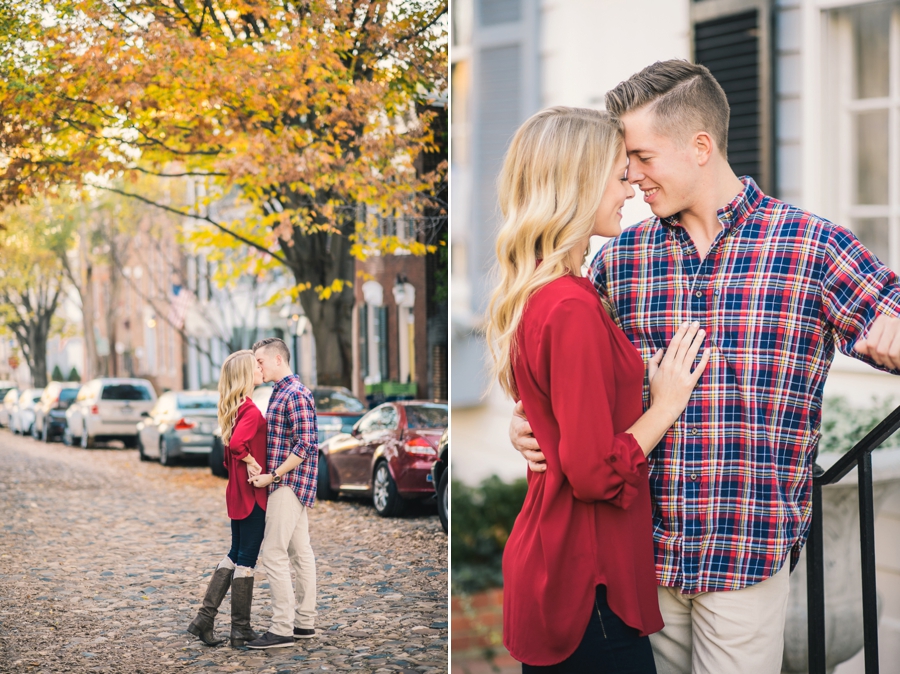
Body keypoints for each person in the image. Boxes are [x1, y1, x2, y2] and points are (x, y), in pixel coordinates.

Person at [510, 60, 900, 674]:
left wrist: (896, 336)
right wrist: (526, 423)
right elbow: (571, 375)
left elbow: (893, 315)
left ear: (700, 146)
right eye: (626, 163)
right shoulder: (621, 262)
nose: (632, 178)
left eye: (641, 156)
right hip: (641, 563)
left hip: (744, 555)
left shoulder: (810, 247)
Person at [488, 106, 710, 673]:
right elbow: (590, 471)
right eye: (618, 176)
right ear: (579, 185)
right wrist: (664, 407)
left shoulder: (549, 294)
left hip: (566, 567)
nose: (631, 190)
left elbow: (559, 425)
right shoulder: (571, 307)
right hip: (587, 585)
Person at [188, 350, 267, 648]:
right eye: (255, 366)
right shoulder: (248, 409)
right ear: (246, 374)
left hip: (237, 493)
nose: (260, 369)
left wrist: (243, 460)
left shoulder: (233, 410)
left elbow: (226, 456)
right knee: (246, 558)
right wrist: (251, 461)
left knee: (235, 553)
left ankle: (204, 620)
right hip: (252, 494)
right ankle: (240, 630)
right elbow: (236, 446)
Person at [245, 337, 318, 650]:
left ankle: (281, 628)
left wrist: (272, 476)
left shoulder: (296, 393)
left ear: (277, 359)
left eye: (260, 361)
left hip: (287, 484)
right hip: (285, 483)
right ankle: (304, 623)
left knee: (273, 553)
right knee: (300, 552)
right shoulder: (279, 391)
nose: (257, 366)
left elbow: (305, 446)